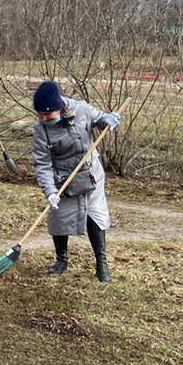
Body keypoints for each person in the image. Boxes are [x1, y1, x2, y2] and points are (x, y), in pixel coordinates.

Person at [30, 80, 122, 282]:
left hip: (90, 173)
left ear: (59, 108)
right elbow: (42, 163)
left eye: (48, 114)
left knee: (95, 215)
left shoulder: (81, 109)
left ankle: (102, 264)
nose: (44, 118)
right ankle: (61, 261)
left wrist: (108, 119)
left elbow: (99, 119)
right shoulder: (41, 129)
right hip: (62, 178)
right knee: (59, 217)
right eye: (40, 115)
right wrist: (50, 192)